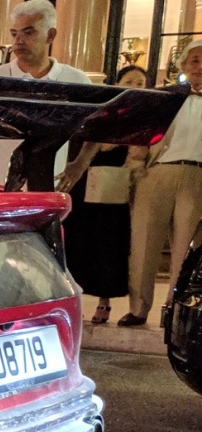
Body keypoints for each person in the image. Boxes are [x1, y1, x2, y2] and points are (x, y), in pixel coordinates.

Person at [0, 0, 90, 183]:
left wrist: (80, 164)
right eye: (15, 34)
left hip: (47, 189)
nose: (19, 40)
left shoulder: (76, 80)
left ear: (50, 35)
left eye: (28, 32)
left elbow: (102, 125)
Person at [57, 64, 149, 324]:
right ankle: (74, 298)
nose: (134, 86)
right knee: (76, 241)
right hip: (82, 183)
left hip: (113, 189)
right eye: (129, 81)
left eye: (140, 83)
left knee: (109, 244)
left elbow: (136, 153)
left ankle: (104, 301)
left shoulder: (142, 118)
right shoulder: (97, 111)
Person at [120, 41, 202, 327]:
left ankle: (174, 310)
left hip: (197, 176)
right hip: (157, 173)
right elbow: (141, 135)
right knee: (143, 243)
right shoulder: (164, 97)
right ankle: (138, 309)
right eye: (194, 60)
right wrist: (135, 168)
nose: (200, 66)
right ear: (182, 66)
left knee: (186, 248)